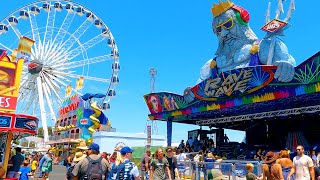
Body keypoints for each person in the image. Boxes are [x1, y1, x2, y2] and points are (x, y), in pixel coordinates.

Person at [199, 1, 296, 83]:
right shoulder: (211, 65)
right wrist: (189, 94)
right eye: (218, 30)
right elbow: (198, 90)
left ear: (242, 22)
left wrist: (286, 67)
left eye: (228, 24)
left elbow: (288, 62)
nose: (223, 33)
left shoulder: (264, 47)